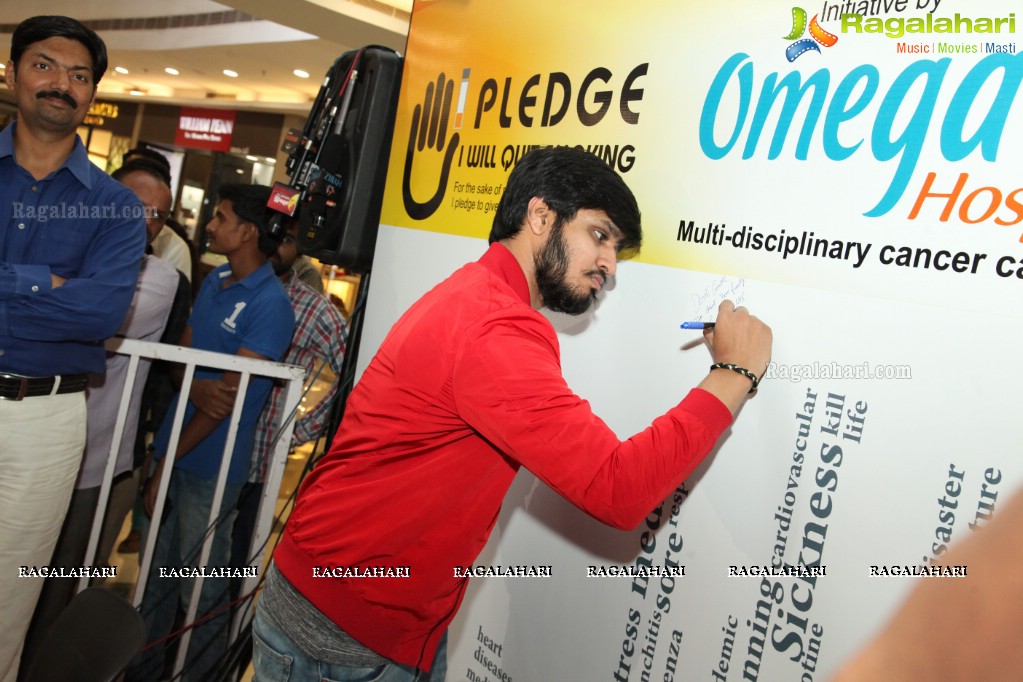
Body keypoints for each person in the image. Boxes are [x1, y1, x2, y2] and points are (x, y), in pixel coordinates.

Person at [254, 146, 773, 680]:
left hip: (365, 624)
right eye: (600, 235)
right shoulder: (494, 326)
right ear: (540, 215)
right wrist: (733, 373)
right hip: (341, 640)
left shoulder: (478, 298)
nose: (610, 266)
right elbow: (619, 489)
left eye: (616, 249)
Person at [0, 15, 146, 680]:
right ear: (12, 73)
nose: (62, 83)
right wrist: (46, 286)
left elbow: (101, 310)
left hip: (44, 421)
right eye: (45, 66)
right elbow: (71, 302)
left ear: (91, 95)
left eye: (80, 75)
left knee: (8, 606)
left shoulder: (116, 209)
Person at [127, 183, 294, 682]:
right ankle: (141, 671)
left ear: (247, 232)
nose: (211, 224)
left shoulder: (270, 303)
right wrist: (197, 390)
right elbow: (183, 365)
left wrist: (167, 459)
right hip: (180, 452)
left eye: (220, 217)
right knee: (155, 582)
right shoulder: (215, 279)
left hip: (213, 469)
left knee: (200, 592)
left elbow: (224, 401)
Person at [18, 158, 180, 672]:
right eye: (135, 204)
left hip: (95, 463)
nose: (145, 220)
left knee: (57, 587)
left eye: (158, 214)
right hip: (25, 442)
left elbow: (92, 322)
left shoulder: (161, 278)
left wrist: (44, 287)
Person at [231, 216, 348, 579]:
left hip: (258, 458)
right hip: (206, 447)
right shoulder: (227, 284)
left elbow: (352, 373)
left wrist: (300, 430)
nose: (278, 245)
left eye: (289, 239)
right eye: (275, 234)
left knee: (234, 564)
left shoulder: (315, 308)